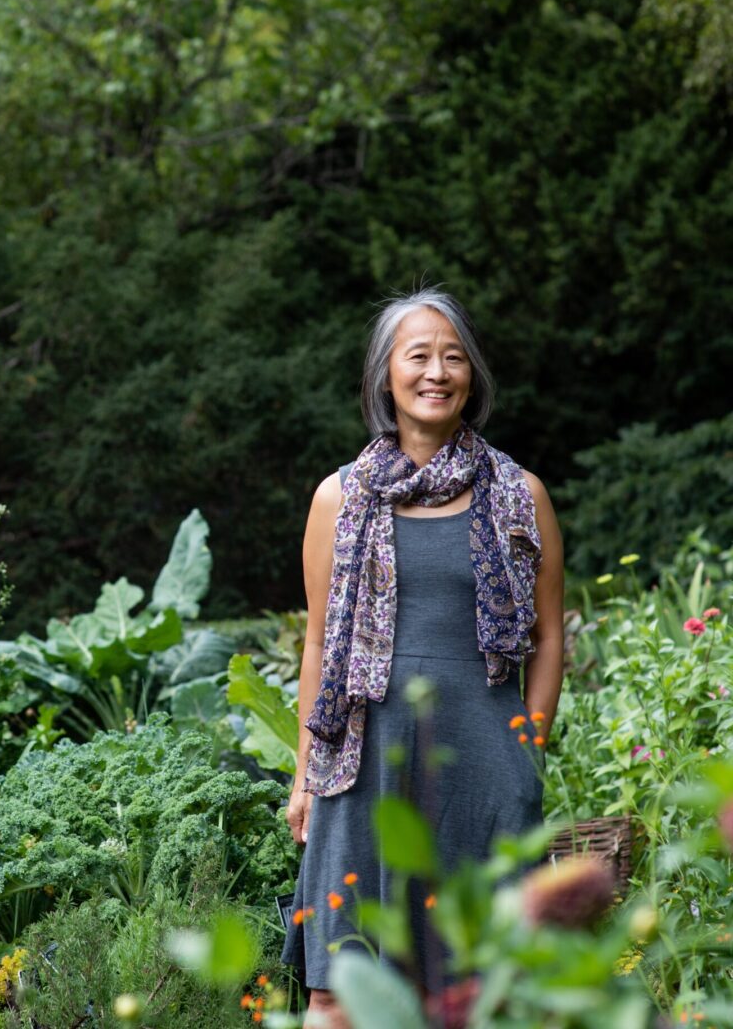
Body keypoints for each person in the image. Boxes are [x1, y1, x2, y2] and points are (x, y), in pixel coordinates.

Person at [280, 288, 564, 1027]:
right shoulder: (336, 500)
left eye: (453, 356)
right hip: (361, 767)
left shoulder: (520, 494)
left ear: (471, 376)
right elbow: (318, 644)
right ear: (386, 376)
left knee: (486, 987)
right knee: (339, 991)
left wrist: (525, 752)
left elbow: (551, 637)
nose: (437, 371)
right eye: (419, 355)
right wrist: (305, 774)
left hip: (485, 776)